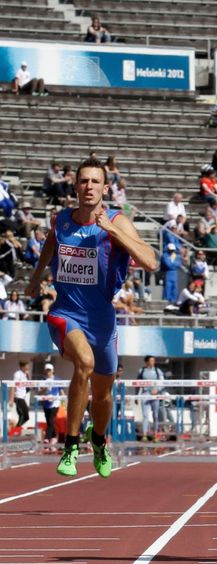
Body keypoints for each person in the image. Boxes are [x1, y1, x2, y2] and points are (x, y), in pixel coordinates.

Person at [24, 157, 157, 477]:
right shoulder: (62, 220)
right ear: (75, 185)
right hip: (65, 313)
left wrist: (111, 230)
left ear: (105, 188)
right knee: (83, 362)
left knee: (103, 395)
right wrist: (36, 275)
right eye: (83, 181)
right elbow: (51, 244)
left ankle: (98, 439)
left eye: (95, 182)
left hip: (102, 319)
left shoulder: (118, 221)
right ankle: (69, 446)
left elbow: (151, 262)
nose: (88, 187)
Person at [9, 360, 31, 430]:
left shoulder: (25, 374)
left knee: (26, 417)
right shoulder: (18, 373)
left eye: (28, 366)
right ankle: (15, 430)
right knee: (23, 415)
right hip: (18, 397)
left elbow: (29, 386)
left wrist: (28, 375)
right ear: (22, 367)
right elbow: (13, 386)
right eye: (26, 366)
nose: (28, 367)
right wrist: (11, 399)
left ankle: (16, 429)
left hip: (22, 397)